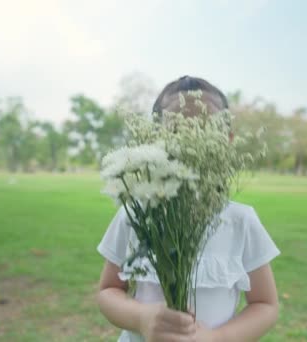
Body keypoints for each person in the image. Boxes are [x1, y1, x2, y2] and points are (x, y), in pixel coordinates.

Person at [97, 76, 280, 342]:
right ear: (155, 137)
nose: (190, 137)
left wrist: (218, 338)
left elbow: (265, 304)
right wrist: (142, 318)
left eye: (205, 127)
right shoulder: (134, 215)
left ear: (227, 139)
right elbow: (108, 290)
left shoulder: (240, 221)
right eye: (176, 129)